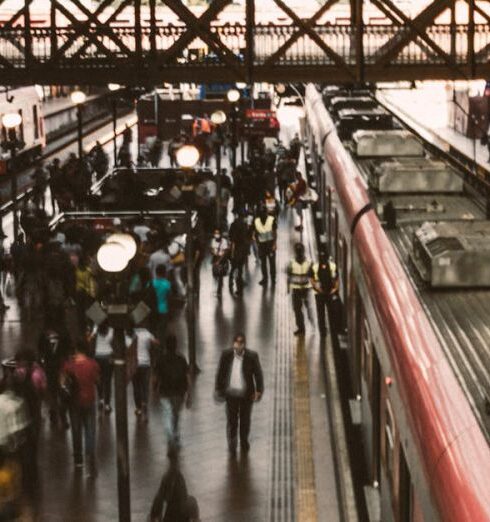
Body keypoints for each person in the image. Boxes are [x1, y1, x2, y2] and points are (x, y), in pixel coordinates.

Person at [214, 333, 264, 455]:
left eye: (241, 343)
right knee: (232, 420)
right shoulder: (226, 355)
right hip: (231, 394)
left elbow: (258, 374)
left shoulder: (252, 356)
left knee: (245, 420)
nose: (238, 345)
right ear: (233, 343)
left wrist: (259, 390)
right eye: (236, 342)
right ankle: (232, 443)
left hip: (246, 395)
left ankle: (243, 440)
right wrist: (218, 389)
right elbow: (220, 373)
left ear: (244, 344)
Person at [61, 342, 99, 475]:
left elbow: (62, 383)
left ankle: (78, 460)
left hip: (73, 402)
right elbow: (97, 380)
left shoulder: (68, 365)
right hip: (89, 400)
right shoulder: (92, 364)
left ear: (76, 349)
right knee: (90, 430)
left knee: (76, 431)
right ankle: (90, 457)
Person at [153, 335, 192, 452]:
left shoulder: (160, 360)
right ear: (176, 345)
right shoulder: (181, 359)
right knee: (175, 415)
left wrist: (154, 390)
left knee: (167, 415)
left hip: (165, 392)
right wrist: (189, 393)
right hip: (179, 392)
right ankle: (175, 435)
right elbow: (187, 376)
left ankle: (171, 437)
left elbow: (155, 377)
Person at [149, 453, 200, 522]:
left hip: (172, 513)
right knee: (192, 501)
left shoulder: (171, 477)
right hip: (176, 513)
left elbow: (159, 498)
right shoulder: (171, 477)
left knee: (191, 501)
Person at [132, 323, 158, 421]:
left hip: (135, 364)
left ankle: (138, 408)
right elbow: (155, 343)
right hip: (146, 363)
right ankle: (144, 403)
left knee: (136, 386)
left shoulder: (132, 334)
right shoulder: (147, 333)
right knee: (145, 385)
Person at [287, 243, 313, 336]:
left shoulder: (292, 263)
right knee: (299, 309)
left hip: (301, 290)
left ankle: (303, 327)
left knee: (299, 309)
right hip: (301, 289)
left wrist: (288, 288)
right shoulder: (309, 262)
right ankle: (305, 326)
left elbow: (289, 275)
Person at [88, 321, 114, 414]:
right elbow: (115, 343)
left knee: (99, 379)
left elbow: (90, 338)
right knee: (108, 381)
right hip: (108, 357)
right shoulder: (112, 329)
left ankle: (101, 399)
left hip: (98, 357)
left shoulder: (96, 327)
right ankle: (107, 405)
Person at [311, 251, 338, 338]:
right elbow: (337, 278)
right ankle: (328, 331)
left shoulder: (315, 266)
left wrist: (334, 289)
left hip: (321, 294)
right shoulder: (332, 266)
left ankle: (324, 332)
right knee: (328, 313)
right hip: (323, 293)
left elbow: (311, 279)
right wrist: (334, 289)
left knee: (322, 313)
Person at [253, 206, 277, 286]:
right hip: (262, 245)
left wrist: (274, 244)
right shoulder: (256, 221)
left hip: (269, 244)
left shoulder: (271, 219)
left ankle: (272, 279)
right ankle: (265, 279)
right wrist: (257, 243)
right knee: (264, 263)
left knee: (271, 263)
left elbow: (274, 232)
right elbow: (255, 233)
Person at [228, 212, 250, 295]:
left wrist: (232, 253)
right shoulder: (244, 225)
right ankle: (238, 283)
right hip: (241, 249)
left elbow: (231, 238)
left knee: (234, 266)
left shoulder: (233, 224)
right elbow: (247, 237)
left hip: (236, 249)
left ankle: (232, 280)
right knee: (239, 267)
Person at [152, 264, 172, 345]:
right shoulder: (167, 284)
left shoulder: (152, 283)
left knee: (154, 329)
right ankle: (162, 346)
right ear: (164, 272)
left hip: (154, 309)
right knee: (162, 330)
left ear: (156, 272)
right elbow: (169, 297)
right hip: (164, 309)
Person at [210, 229, 229, 298]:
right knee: (215, 274)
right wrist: (213, 252)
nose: (216, 234)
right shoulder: (213, 240)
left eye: (217, 233)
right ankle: (219, 286)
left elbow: (225, 252)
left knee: (220, 275)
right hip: (215, 257)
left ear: (220, 234)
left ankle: (219, 290)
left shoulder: (224, 241)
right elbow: (211, 249)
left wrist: (219, 261)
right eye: (215, 233)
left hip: (221, 259)